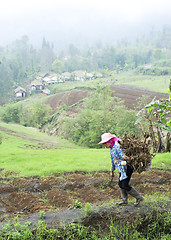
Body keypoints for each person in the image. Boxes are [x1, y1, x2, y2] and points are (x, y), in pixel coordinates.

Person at [98, 132, 144, 206]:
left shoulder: (117, 146)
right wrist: (111, 170)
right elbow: (113, 160)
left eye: (105, 143)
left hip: (128, 167)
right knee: (120, 184)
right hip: (122, 168)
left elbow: (122, 154)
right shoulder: (111, 148)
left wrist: (127, 158)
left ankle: (139, 197)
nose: (104, 145)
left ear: (109, 141)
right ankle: (124, 200)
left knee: (124, 185)